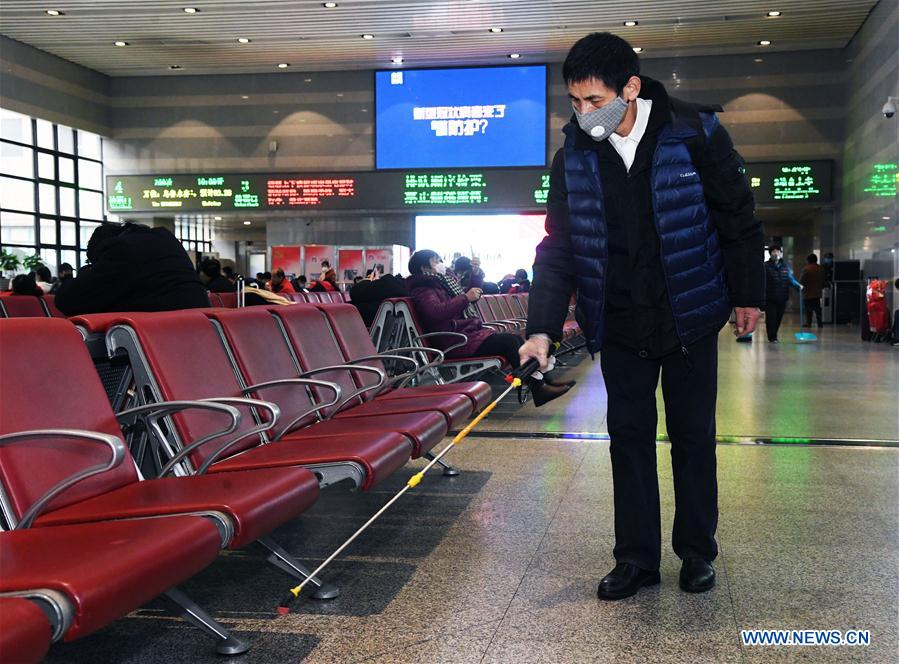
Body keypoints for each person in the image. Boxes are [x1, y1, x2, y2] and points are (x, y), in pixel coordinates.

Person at [518, 33, 764, 600]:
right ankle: (636, 559)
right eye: (574, 102)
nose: (583, 114)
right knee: (628, 439)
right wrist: (541, 329)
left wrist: (748, 295)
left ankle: (697, 552)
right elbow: (559, 248)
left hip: (689, 315)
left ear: (630, 88)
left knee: (693, 439)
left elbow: (737, 218)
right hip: (621, 320)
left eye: (593, 100)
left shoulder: (694, 133)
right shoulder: (574, 157)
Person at [407, 250, 573, 406]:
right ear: (424, 267)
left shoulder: (442, 284)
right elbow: (435, 312)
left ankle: (543, 380)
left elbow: (466, 295)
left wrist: (476, 274)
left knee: (514, 339)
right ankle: (538, 388)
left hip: (466, 335)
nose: (441, 263)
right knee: (509, 342)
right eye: (436, 261)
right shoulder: (423, 289)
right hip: (455, 341)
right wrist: (465, 298)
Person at [55, 222, 210, 316]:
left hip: (164, 335)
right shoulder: (164, 238)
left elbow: (67, 300)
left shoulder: (120, 250)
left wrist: (84, 272)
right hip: (200, 322)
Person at [764, 244, 802, 342]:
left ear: (781, 253)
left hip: (782, 297)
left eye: (778, 251)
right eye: (773, 251)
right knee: (771, 319)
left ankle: (774, 334)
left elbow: (790, 279)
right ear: (770, 254)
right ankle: (772, 337)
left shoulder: (785, 267)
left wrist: (798, 286)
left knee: (778, 319)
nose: (775, 253)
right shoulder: (765, 266)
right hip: (770, 298)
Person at [800, 253, 825, 328]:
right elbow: (823, 281)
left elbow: (801, 280)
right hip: (817, 292)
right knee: (817, 309)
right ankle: (820, 323)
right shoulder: (820, 268)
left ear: (808, 260)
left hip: (808, 292)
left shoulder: (806, 269)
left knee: (808, 309)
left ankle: (809, 323)